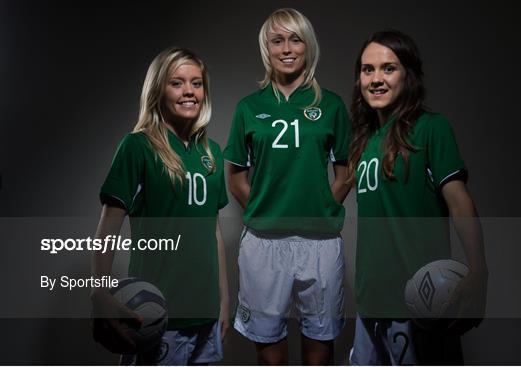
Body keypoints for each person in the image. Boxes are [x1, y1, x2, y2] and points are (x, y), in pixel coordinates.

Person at [347, 29, 488, 365]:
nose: (376, 79)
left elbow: (459, 202)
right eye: (368, 70)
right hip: (369, 307)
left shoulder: (431, 128)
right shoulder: (364, 142)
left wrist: (479, 271)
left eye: (388, 68)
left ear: (407, 75)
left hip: (420, 304)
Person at [224, 8, 351, 365]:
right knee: (269, 351)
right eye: (277, 40)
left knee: (320, 347)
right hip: (264, 242)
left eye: (295, 38)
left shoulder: (332, 105)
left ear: (308, 45)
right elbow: (234, 177)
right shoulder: (249, 107)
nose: (287, 48)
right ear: (267, 48)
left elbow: (346, 172)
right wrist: (267, 207)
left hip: (320, 242)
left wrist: (322, 204)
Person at [90, 47, 229, 365]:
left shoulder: (212, 153)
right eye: (177, 83)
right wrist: (98, 292)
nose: (189, 91)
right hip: (158, 316)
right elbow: (109, 226)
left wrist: (223, 301)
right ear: (158, 90)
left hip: (205, 316)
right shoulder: (137, 147)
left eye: (197, 83)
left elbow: (214, 232)